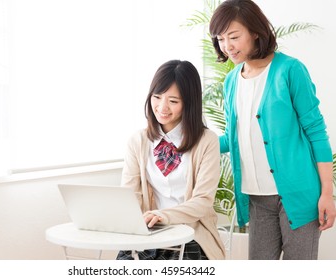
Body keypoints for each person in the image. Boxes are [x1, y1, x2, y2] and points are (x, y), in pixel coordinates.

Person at [209, 0, 335, 260]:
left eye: (234, 36)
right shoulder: (232, 81)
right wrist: (190, 142)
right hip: (257, 199)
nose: (227, 46)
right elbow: (235, 139)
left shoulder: (290, 70)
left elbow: (316, 132)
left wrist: (326, 193)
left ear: (255, 32)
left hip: (299, 195)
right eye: (220, 39)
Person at [116, 60, 225, 260]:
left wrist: (164, 216)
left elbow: (202, 201)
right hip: (149, 234)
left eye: (173, 101)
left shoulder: (207, 141)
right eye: (157, 97)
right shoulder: (137, 141)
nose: (162, 107)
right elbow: (129, 195)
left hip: (192, 234)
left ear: (188, 103)